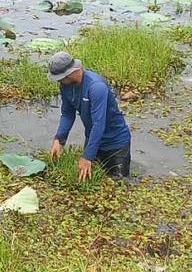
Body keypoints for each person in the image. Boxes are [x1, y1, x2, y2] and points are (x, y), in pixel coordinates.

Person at [45, 50, 132, 180]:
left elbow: (99, 124)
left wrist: (87, 157)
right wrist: (59, 139)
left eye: (61, 78)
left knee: (118, 184)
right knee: (87, 179)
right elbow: (68, 114)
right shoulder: (66, 86)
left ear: (69, 73)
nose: (59, 81)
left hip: (116, 144)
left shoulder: (96, 87)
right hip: (93, 140)